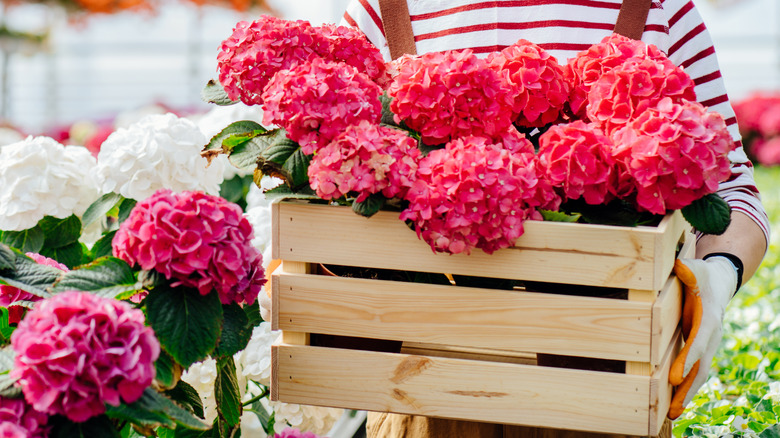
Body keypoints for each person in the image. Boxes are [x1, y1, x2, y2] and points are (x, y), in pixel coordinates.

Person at [340, 0, 770, 436]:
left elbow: (731, 190)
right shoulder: (386, 9)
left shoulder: (659, 9)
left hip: (602, 394)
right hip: (423, 393)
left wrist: (718, 275)